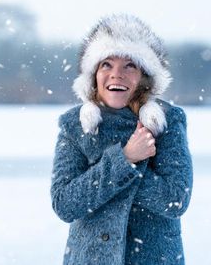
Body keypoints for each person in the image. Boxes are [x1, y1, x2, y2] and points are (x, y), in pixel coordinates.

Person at [50, 14, 193, 265]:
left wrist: (115, 173)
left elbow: (175, 200)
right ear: (93, 75)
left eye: (130, 65)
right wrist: (125, 159)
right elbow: (65, 204)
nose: (117, 74)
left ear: (145, 77)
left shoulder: (168, 121)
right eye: (106, 64)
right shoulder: (74, 125)